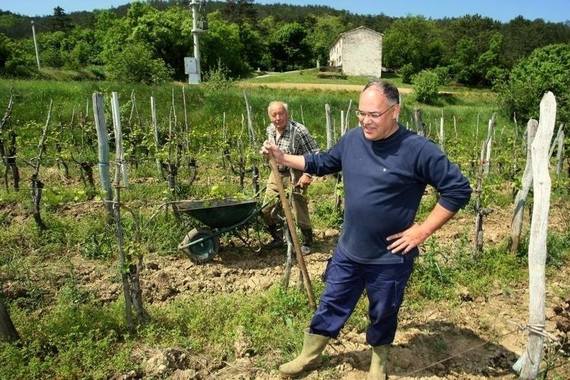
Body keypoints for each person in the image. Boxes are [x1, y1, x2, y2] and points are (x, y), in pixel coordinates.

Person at [261, 80, 472, 379]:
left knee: (383, 312)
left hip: (390, 257)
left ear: (395, 111)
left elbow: (458, 190)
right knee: (331, 302)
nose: (365, 120)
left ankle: (379, 362)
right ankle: (309, 355)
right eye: (361, 113)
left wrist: (422, 231)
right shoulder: (352, 140)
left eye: (373, 114)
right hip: (350, 249)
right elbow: (320, 163)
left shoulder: (417, 149)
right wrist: (283, 158)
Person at [261, 101, 319, 253]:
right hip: (276, 173)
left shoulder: (298, 131)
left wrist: (307, 174)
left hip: (296, 173)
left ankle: (307, 242)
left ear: (287, 114)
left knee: (299, 208)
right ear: (269, 116)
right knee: (267, 207)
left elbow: (315, 152)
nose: (278, 118)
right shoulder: (270, 130)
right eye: (274, 115)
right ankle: (279, 238)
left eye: (281, 114)